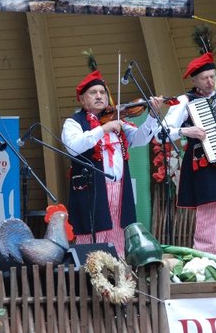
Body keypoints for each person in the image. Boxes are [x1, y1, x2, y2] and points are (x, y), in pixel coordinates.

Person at [61, 65, 163, 256]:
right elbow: (73, 146)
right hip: (92, 190)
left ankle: (118, 276)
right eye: (93, 93)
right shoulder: (74, 122)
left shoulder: (118, 121)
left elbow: (141, 139)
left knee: (118, 234)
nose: (99, 96)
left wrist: (151, 116)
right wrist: (104, 129)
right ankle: (92, 279)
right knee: (92, 237)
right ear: (82, 99)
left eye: (102, 92)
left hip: (119, 189)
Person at [161, 52, 216, 259]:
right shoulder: (185, 101)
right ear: (194, 80)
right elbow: (160, 133)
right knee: (208, 224)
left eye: (212, 77)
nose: (210, 82)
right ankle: (206, 270)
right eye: (204, 78)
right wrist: (185, 131)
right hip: (205, 168)